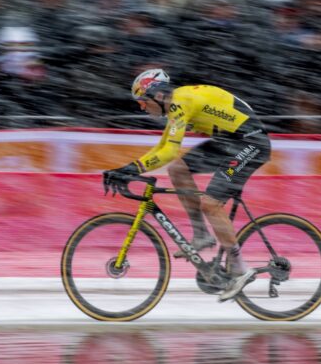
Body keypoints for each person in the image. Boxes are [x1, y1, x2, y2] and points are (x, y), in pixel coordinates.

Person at [103, 69, 271, 302]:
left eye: (143, 101)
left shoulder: (180, 101)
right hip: (230, 141)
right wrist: (128, 168)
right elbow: (163, 147)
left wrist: (132, 169)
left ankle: (240, 269)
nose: (142, 107)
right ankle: (201, 234)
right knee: (178, 169)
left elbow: (169, 151)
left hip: (251, 143)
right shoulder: (177, 102)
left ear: (158, 95)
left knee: (211, 204)